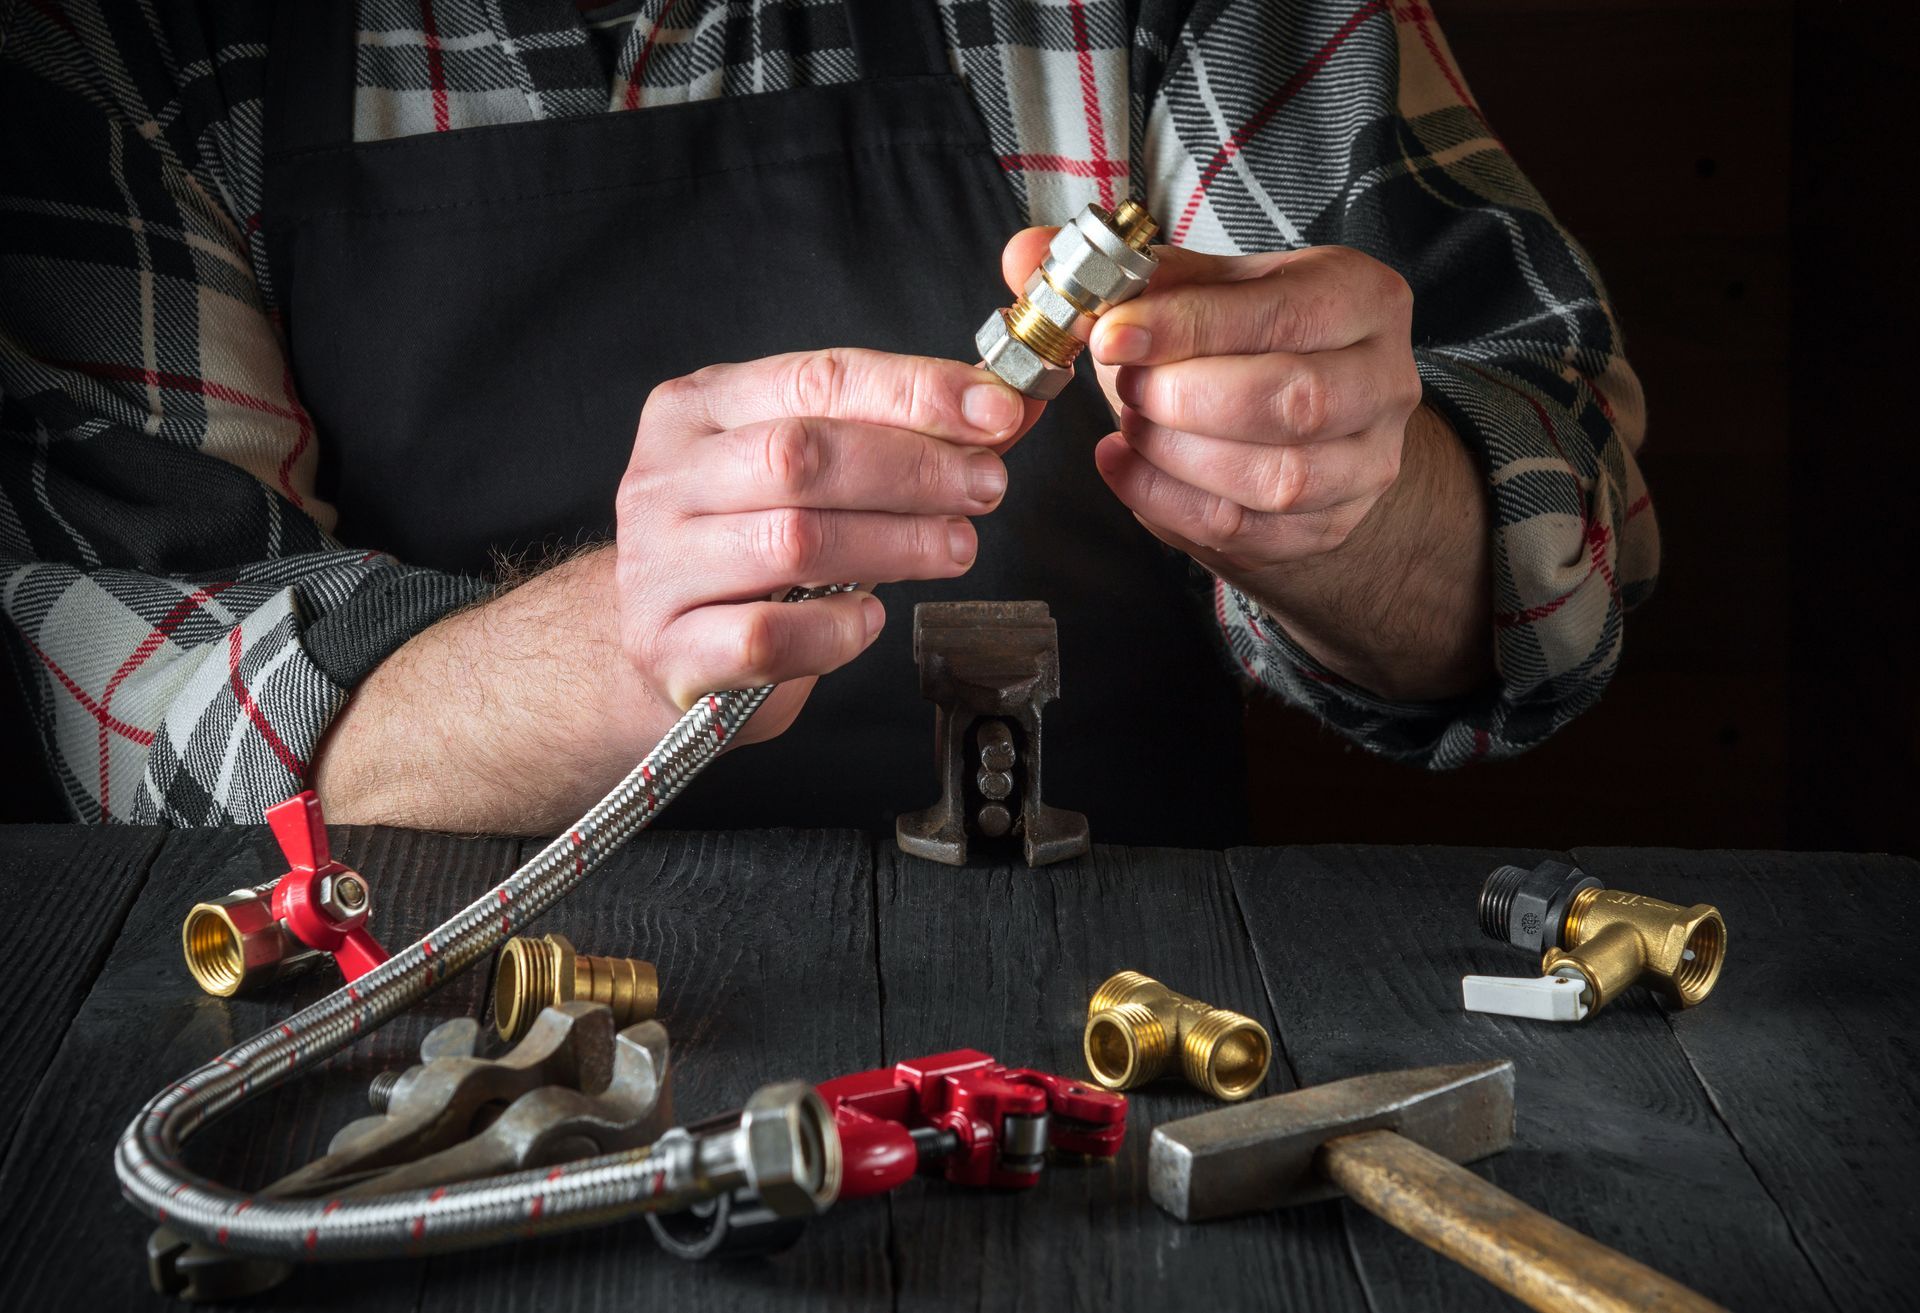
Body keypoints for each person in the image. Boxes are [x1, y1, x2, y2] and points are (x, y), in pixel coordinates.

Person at [0, 0, 1656, 842]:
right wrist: (616, 652)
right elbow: (136, 709)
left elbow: (1566, 568)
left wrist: (1361, 501)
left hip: (1114, 1016)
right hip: (442, 1047)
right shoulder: (130, 33)